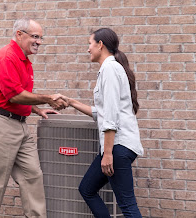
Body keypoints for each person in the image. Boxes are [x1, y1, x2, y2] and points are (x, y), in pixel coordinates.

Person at [0, 18, 67, 218]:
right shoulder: (6, 57)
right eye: (35, 36)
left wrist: (37, 109)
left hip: (19, 126)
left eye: (41, 38)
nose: (39, 41)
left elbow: (17, 95)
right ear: (19, 34)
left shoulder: (24, 61)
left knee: (32, 176)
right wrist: (48, 99)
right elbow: (13, 95)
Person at [57, 28, 144, 218]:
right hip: (118, 147)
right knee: (87, 189)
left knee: (127, 205)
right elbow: (103, 113)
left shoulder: (110, 69)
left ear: (100, 44)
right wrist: (71, 102)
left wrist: (108, 153)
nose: (88, 49)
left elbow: (110, 116)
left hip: (118, 148)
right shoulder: (108, 69)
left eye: (90, 43)